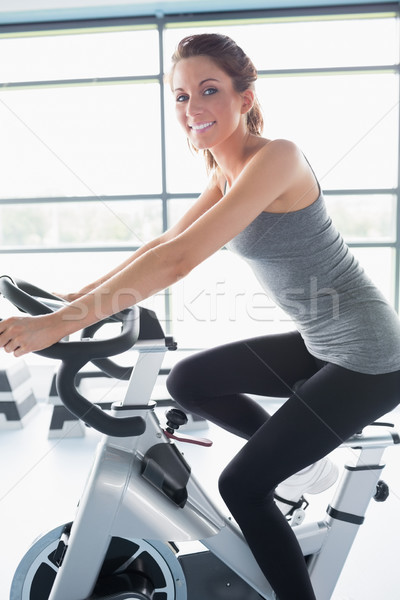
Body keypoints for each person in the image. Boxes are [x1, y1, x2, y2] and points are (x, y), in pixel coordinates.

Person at [1, 33, 400, 600]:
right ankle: (309, 468)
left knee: (244, 486)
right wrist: (71, 306)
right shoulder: (223, 170)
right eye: (181, 97)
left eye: (208, 90)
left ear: (244, 95)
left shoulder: (277, 158)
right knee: (190, 382)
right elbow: (162, 244)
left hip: (371, 356)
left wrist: (56, 328)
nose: (193, 109)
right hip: (322, 341)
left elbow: (181, 260)